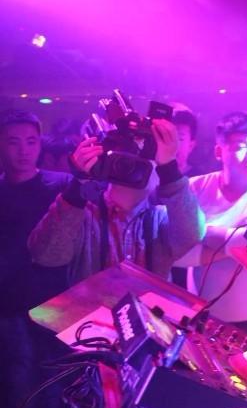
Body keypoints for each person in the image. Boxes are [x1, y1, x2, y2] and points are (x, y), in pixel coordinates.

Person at [28, 118, 203, 286]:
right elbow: (46, 255)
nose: (133, 167)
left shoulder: (160, 219)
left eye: (145, 161)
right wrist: (79, 183)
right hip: (92, 307)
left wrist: (169, 169)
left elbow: (190, 236)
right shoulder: (83, 215)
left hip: (147, 308)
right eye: (127, 159)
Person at [0, 111, 78, 408]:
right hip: (9, 306)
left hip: (58, 304)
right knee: (19, 390)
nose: (24, 151)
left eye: (31, 142)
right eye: (14, 142)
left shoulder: (61, 186)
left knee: (59, 388)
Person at [176, 113, 247, 339]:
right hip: (203, 318)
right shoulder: (194, 187)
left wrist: (200, 232)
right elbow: (176, 254)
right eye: (240, 147)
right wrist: (242, 245)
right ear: (219, 152)